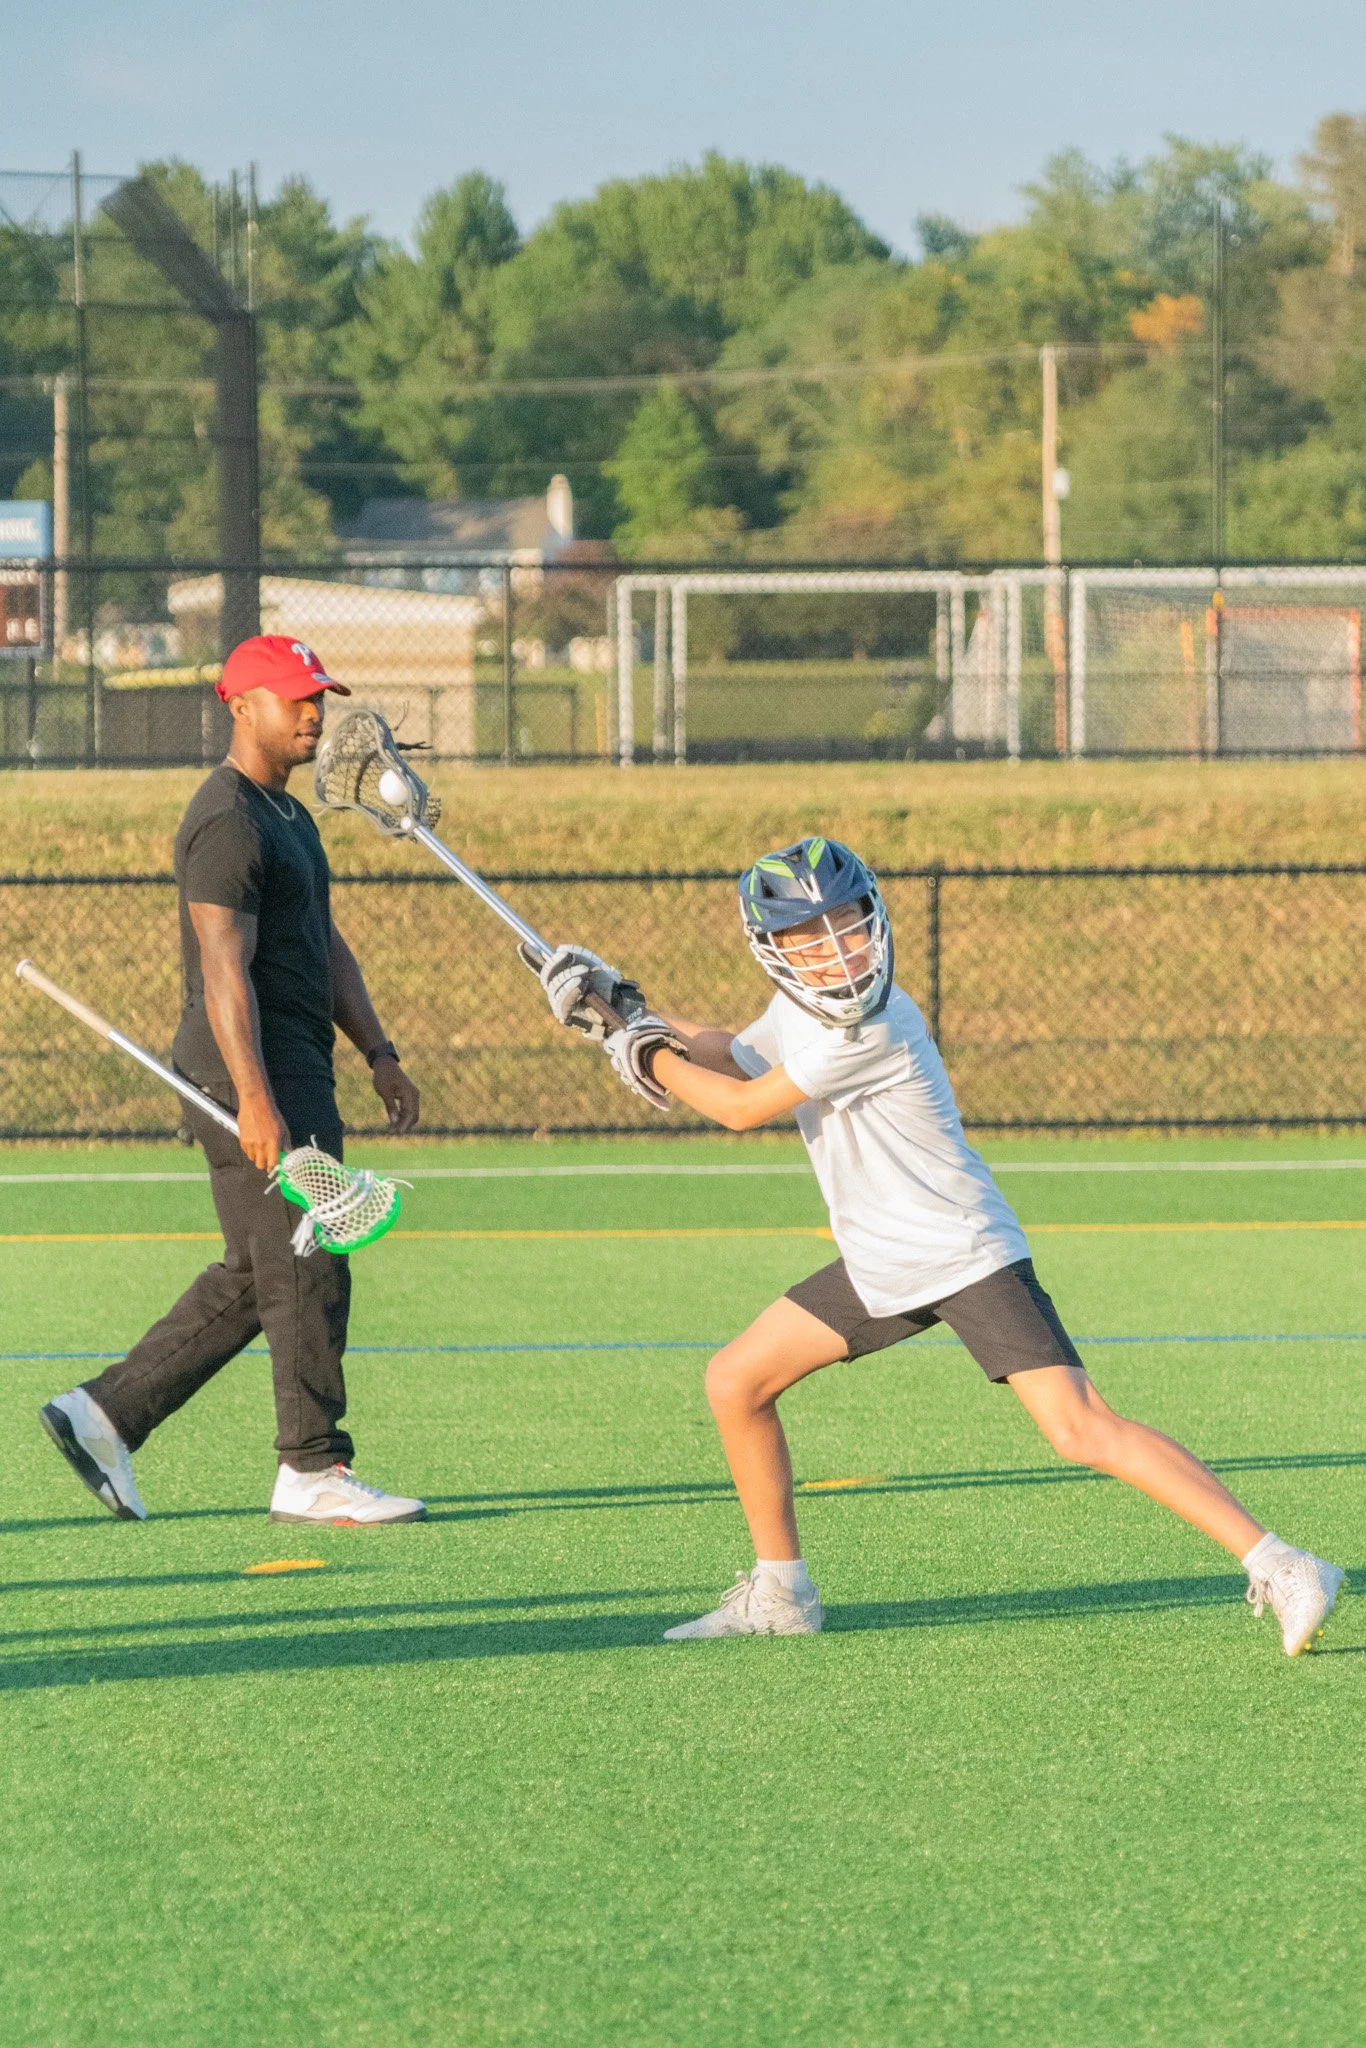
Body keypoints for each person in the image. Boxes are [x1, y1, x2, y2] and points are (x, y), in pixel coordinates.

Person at [534, 836, 1345, 1654]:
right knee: (736, 1381)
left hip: (961, 1252)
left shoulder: (875, 1023)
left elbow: (739, 1107)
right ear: (774, 949)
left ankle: (1283, 1563)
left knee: (1079, 1428)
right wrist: (629, 1007)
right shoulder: (805, 1013)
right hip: (883, 1259)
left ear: (874, 920)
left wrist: (638, 1048)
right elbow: (731, 1058)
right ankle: (781, 1593)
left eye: (847, 923)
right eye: (810, 934)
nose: (837, 946)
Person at [40, 635, 426, 1526]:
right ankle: (312, 1467)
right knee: (311, 1259)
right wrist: (255, 1097)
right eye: (295, 698)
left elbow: (325, 948)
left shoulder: (288, 817)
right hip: (246, 1072)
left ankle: (103, 1414)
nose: (314, 713)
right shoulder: (225, 819)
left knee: (261, 1272)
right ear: (240, 704)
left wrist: (378, 1050)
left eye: (318, 696)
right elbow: (223, 971)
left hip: (295, 1065)